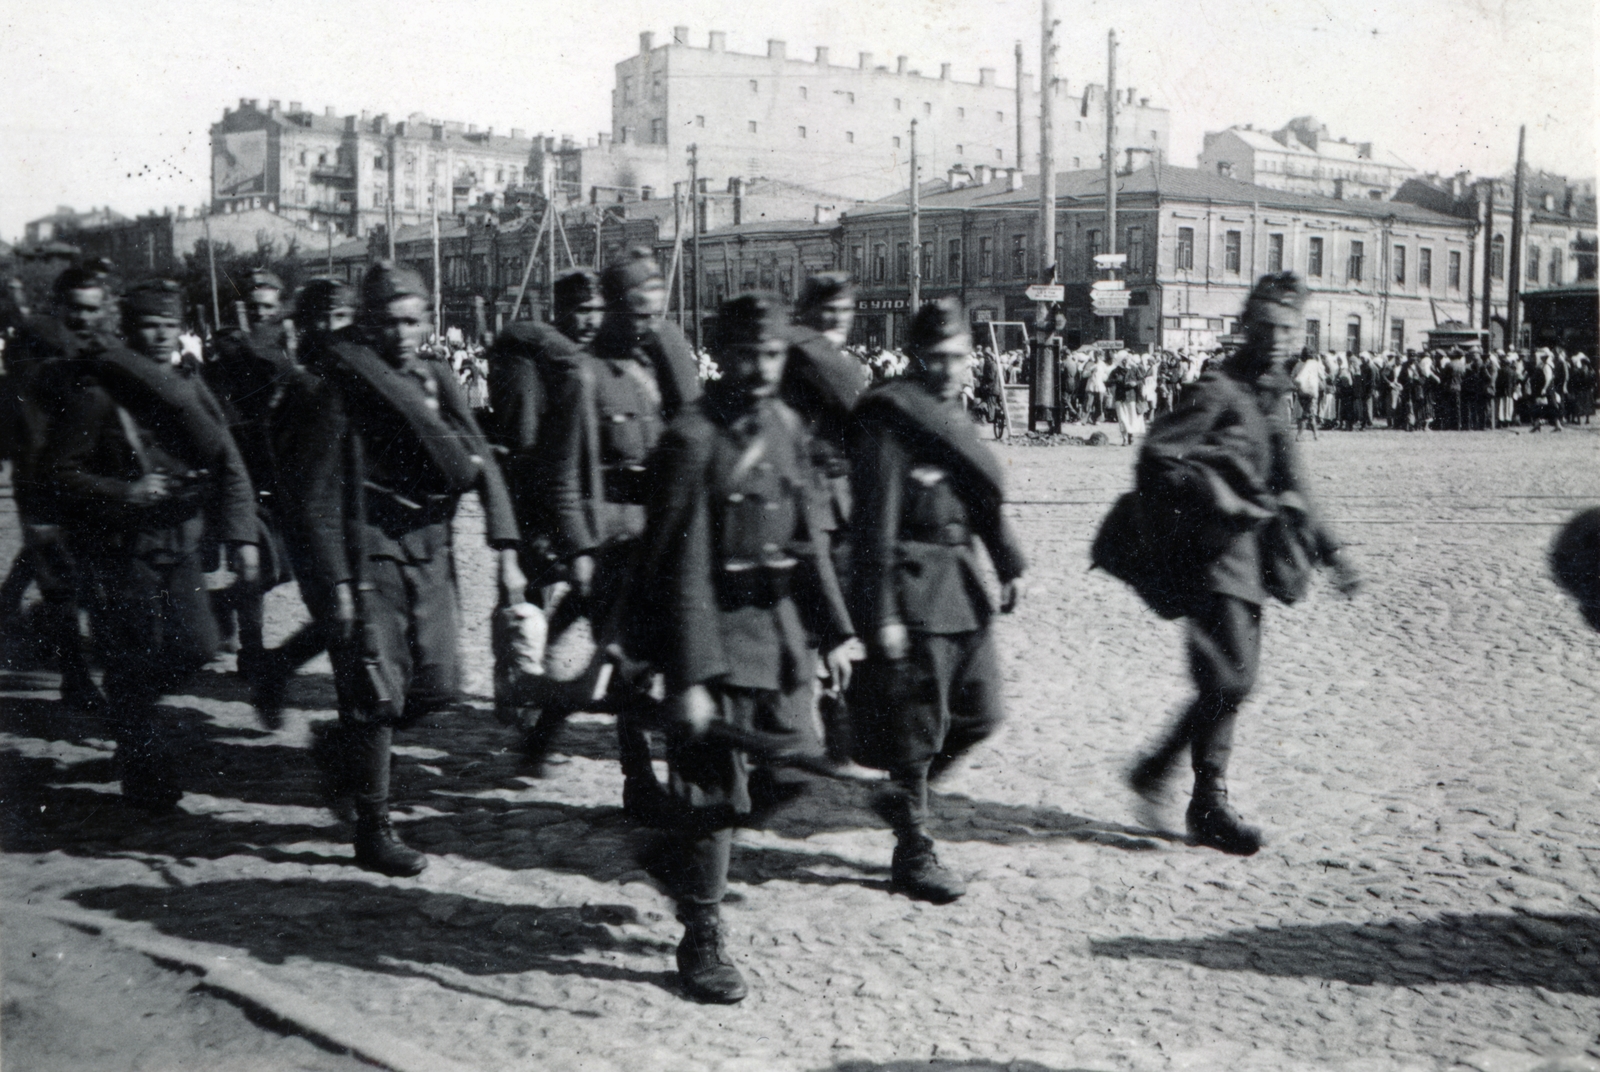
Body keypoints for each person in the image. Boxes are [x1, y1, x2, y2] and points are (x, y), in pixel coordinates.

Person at [623, 292, 855, 1003]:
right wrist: (689, 673)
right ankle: (701, 932)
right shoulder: (692, 439)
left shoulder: (785, 425)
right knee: (714, 787)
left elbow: (809, 538)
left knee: (794, 766)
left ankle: (677, 849)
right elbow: (679, 564)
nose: (759, 368)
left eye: (772, 355)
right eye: (746, 354)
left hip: (780, 631)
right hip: (713, 635)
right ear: (719, 356)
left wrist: (837, 629)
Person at [285, 262, 524, 875]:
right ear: (368, 324)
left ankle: (343, 746)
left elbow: (480, 454)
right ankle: (374, 826)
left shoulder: (437, 377)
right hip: (373, 553)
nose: (402, 333)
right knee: (376, 693)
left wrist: (505, 540)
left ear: (428, 320)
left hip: (432, 550)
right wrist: (335, 579)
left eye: (413, 320)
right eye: (389, 322)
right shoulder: (340, 386)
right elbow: (315, 495)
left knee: (439, 683)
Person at [1126, 273, 1359, 855]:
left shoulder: (1271, 397)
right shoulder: (1218, 389)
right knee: (1231, 678)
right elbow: (1155, 457)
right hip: (1210, 556)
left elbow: (1297, 484)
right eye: (1268, 328)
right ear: (1246, 328)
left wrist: (1334, 553)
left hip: (1251, 559)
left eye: (1290, 328)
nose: (1280, 339)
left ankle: (1184, 786)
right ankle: (1194, 792)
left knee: (1229, 680)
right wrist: (1215, 493)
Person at [40, 280, 258, 809]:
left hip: (179, 543)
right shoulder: (100, 394)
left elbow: (229, 462)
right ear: (128, 331)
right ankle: (145, 771)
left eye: (169, 324)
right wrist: (126, 490)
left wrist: (242, 536)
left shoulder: (190, 385)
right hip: (120, 548)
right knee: (133, 653)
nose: (161, 335)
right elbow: (58, 474)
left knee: (199, 646)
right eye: (148, 326)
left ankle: (128, 710)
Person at [846, 297, 1026, 903]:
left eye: (958, 356)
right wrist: (883, 613)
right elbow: (873, 525)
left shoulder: (956, 414)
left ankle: (902, 797)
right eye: (937, 357)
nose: (949, 368)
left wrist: (1008, 564)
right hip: (915, 588)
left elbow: (982, 500)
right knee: (919, 727)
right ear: (917, 356)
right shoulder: (891, 418)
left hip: (963, 585)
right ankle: (913, 849)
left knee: (982, 713)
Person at [521, 249, 702, 797]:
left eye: (656, 315)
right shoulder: (585, 375)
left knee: (653, 656)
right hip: (608, 539)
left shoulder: (652, 366)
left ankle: (552, 719)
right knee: (626, 662)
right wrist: (578, 547)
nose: (650, 326)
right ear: (615, 310)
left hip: (655, 533)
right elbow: (561, 474)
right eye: (640, 316)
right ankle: (638, 776)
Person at [1, 267, 116, 710]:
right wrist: (38, 498)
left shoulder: (95, 347)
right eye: (76, 309)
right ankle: (74, 677)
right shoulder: (38, 349)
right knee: (60, 579)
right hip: (45, 480)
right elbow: (28, 426)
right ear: (59, 306)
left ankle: (24, 614)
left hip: (88, 478)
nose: (84, 317)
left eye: (93, 309)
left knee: (82, 572)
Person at [249, 278, 358, 722]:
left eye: (342, 318)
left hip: (354, 521)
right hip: (313, 526)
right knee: (346, 634)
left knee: (345, 628)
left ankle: (278, 667)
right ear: (303, 326)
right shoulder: (301, 385)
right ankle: (358, 743)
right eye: (321, 319)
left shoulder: (356, 375)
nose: (331, 328)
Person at [202, 268, 296, 680]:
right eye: (254, 307)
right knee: (254, 564)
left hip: (284, 469)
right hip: (247, 470)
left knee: (286, 565)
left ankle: (221, 605)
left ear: (280, 310)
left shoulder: (291, 347)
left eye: (268, 308)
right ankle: (252, 650)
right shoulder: (231, 353)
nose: (261, 314)